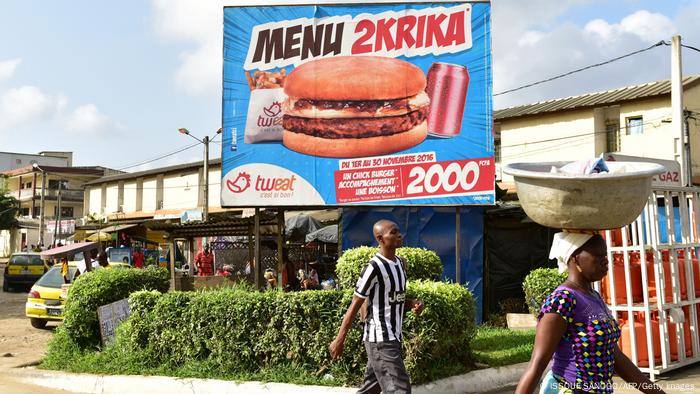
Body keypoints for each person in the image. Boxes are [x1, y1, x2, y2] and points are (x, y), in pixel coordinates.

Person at [516, 232, 665, 394]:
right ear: (575, 257)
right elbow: (537, 363)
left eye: (605, 255)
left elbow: (613, 355)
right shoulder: (562, 300)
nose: (606, 260)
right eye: (598, 255)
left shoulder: (593, 297)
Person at [329, 220, 424, 394]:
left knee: (372, 387)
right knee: (400, 388)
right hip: (380, 337)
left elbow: (394, 300)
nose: (398, 235)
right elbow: (355, 304)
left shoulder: (401, 264)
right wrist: (339, 339)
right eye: (393, 233)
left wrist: (413, 304)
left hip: (393, 335)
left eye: (398, 232)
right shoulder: (373, 267)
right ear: (381, 238)